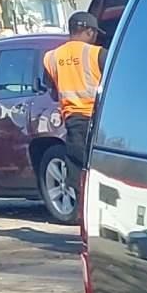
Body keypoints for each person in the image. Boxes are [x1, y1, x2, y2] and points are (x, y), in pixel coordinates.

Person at [41, 11, 103, 189]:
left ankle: (80, 210)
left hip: (73, 120)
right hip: (99, 120)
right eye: (96, 33)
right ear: (90, 32)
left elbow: (52, 90)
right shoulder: (97, 53)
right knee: (99, 169)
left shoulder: (51, 57)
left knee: (78, 170)